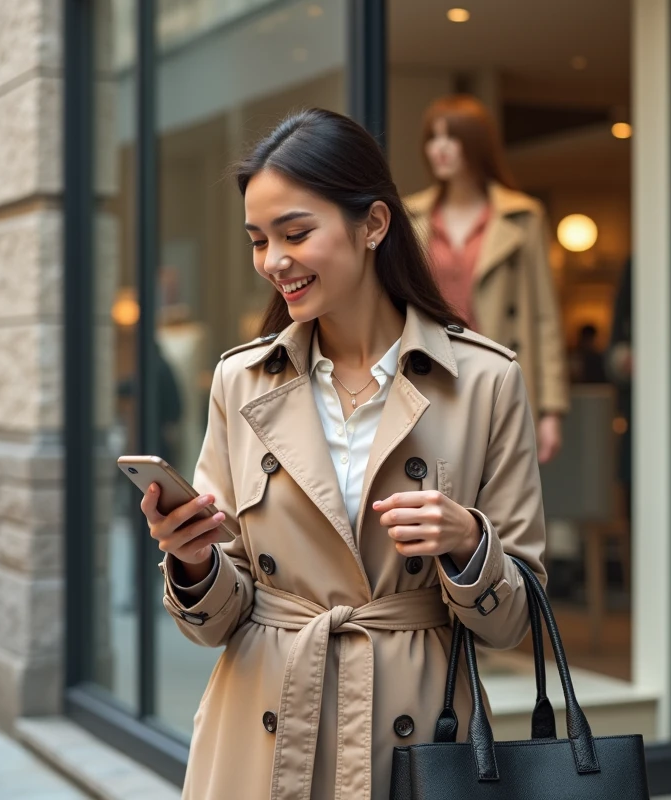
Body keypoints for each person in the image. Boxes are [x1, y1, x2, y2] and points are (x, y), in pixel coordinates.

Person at [140, 109, 547, 800]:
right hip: (260, 732)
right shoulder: (241, 381)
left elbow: (515, 622)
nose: (274, 262)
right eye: (259, 240)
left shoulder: (485, 380)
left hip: (420, 735)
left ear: (374, 225)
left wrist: (469, 541)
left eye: (296, 233)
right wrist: (194, 559)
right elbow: (217, 619)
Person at [404, 95, 569, 463]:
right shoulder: (410, 215)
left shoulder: (523, 216)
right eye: (432, 138)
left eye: (451, 138)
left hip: (497, 373)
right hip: (429, 373)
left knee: (502, 493)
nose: (439, 149)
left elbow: (544, 316)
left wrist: (550, 411)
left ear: (476, 145)